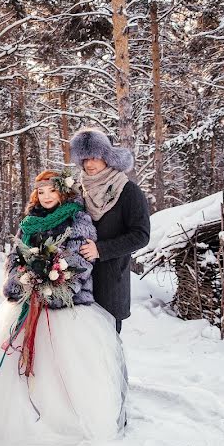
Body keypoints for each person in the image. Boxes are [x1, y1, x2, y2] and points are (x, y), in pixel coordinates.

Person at [0, 170, 127, 446]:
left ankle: (62, 420)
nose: (45, 197)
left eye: (51, 191)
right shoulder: (30, 222)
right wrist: (20, 277)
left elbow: (80, 260)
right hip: (29, 298)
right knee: (15, 365)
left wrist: (53, 278)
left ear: (62, 192)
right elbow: (14, 256)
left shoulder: (78, 219)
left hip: (66, 305)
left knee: (62, 368)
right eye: (41, 192)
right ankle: (16, 419)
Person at [69, 129, 151, 334]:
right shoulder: (77, 190)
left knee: (108, 353)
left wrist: (101, 250)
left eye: (95, 157)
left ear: (107, 156)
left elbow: (141, 235)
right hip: (78, 284)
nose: (89, 164)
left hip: (111, 284)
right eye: (84, 158)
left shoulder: (128, 191)